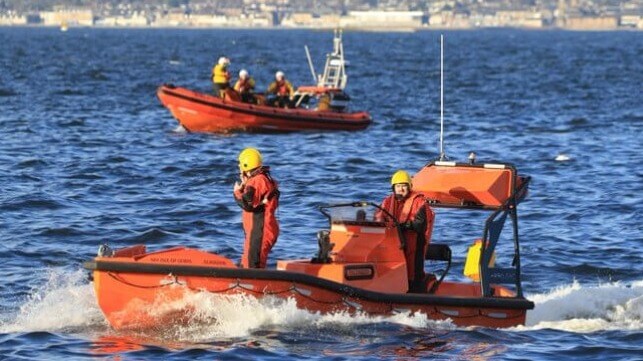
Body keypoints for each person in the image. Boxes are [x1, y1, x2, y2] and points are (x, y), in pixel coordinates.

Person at [376, 170, 435, 293]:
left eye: (404, 186)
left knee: (413, 276)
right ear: (393, 188)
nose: (401, 189)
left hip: (413, 245)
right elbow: (378, 219)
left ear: (409, 187)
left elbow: (420, 225)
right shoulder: (387, 202)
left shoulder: (420, 202)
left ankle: (417, 301)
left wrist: (402, 226)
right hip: (392, 245)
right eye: (398, 186)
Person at [233, 148, 280, 268]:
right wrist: (244, 187)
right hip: (260, 229)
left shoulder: (257, 181)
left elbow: (247, 205)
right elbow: (254, 199)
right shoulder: (261, 179)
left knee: (252, 266)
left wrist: (237, 192)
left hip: (260, 230)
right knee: (247, 263)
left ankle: (254, 286)